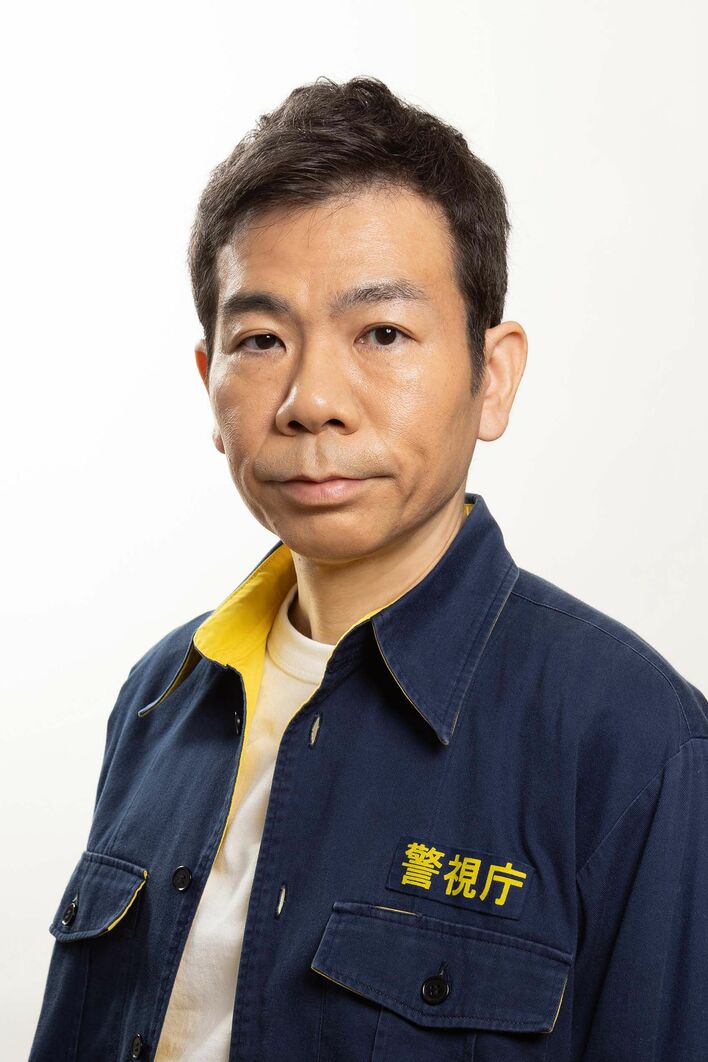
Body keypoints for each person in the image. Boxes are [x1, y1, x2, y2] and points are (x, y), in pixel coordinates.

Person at [29, 75, 707, 1062]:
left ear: (492, 376)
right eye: (261, 340)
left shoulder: (636, 744)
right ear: (208, 380)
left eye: (383, 334)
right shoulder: (159, 698)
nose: (311, 400)